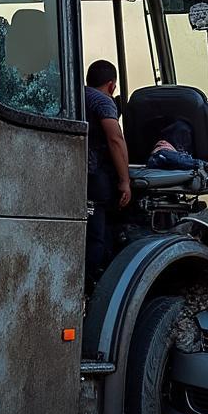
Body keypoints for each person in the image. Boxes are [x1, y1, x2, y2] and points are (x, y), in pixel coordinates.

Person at [84, 60, 131, 294]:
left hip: (75, 177)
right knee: (96, 236)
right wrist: (125, 180)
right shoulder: (103, 102)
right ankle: (91, 285)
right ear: (112, 85)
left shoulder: (77, 96)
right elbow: (115, 139)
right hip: (94, 183)